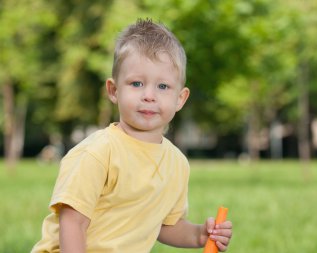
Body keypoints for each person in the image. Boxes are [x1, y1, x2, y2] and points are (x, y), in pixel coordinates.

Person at [32, 18, 232, 253]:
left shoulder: (177, 164)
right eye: (136, 83)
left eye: (163, 87)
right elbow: (73, 222)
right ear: (114, 91)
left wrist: (199, 235)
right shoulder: (99, 152)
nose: (149, 95)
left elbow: (163, 225)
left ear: (180, 98)